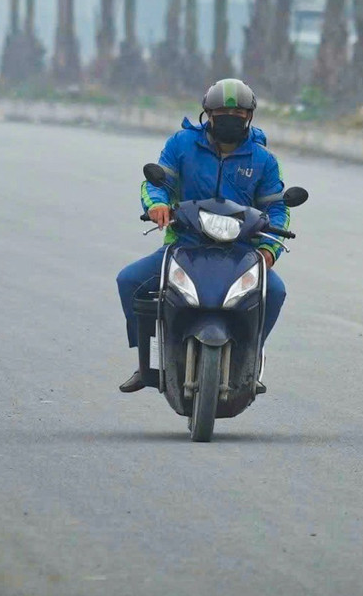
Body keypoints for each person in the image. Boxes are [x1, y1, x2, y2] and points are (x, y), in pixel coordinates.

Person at [115, 78, 291, 394]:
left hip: (241, 252)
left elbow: (277, 208)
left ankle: (250, 358)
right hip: (185, 245)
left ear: (249, 117)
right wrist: (156, 205)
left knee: (274, 292)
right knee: (129, 281)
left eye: (238, 114)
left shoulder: (263, 160)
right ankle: (147, 361)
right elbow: (156, 182)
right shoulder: (182, 144)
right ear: (208, 114)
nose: (230, 119)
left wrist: (269, 249)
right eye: (222, 113)